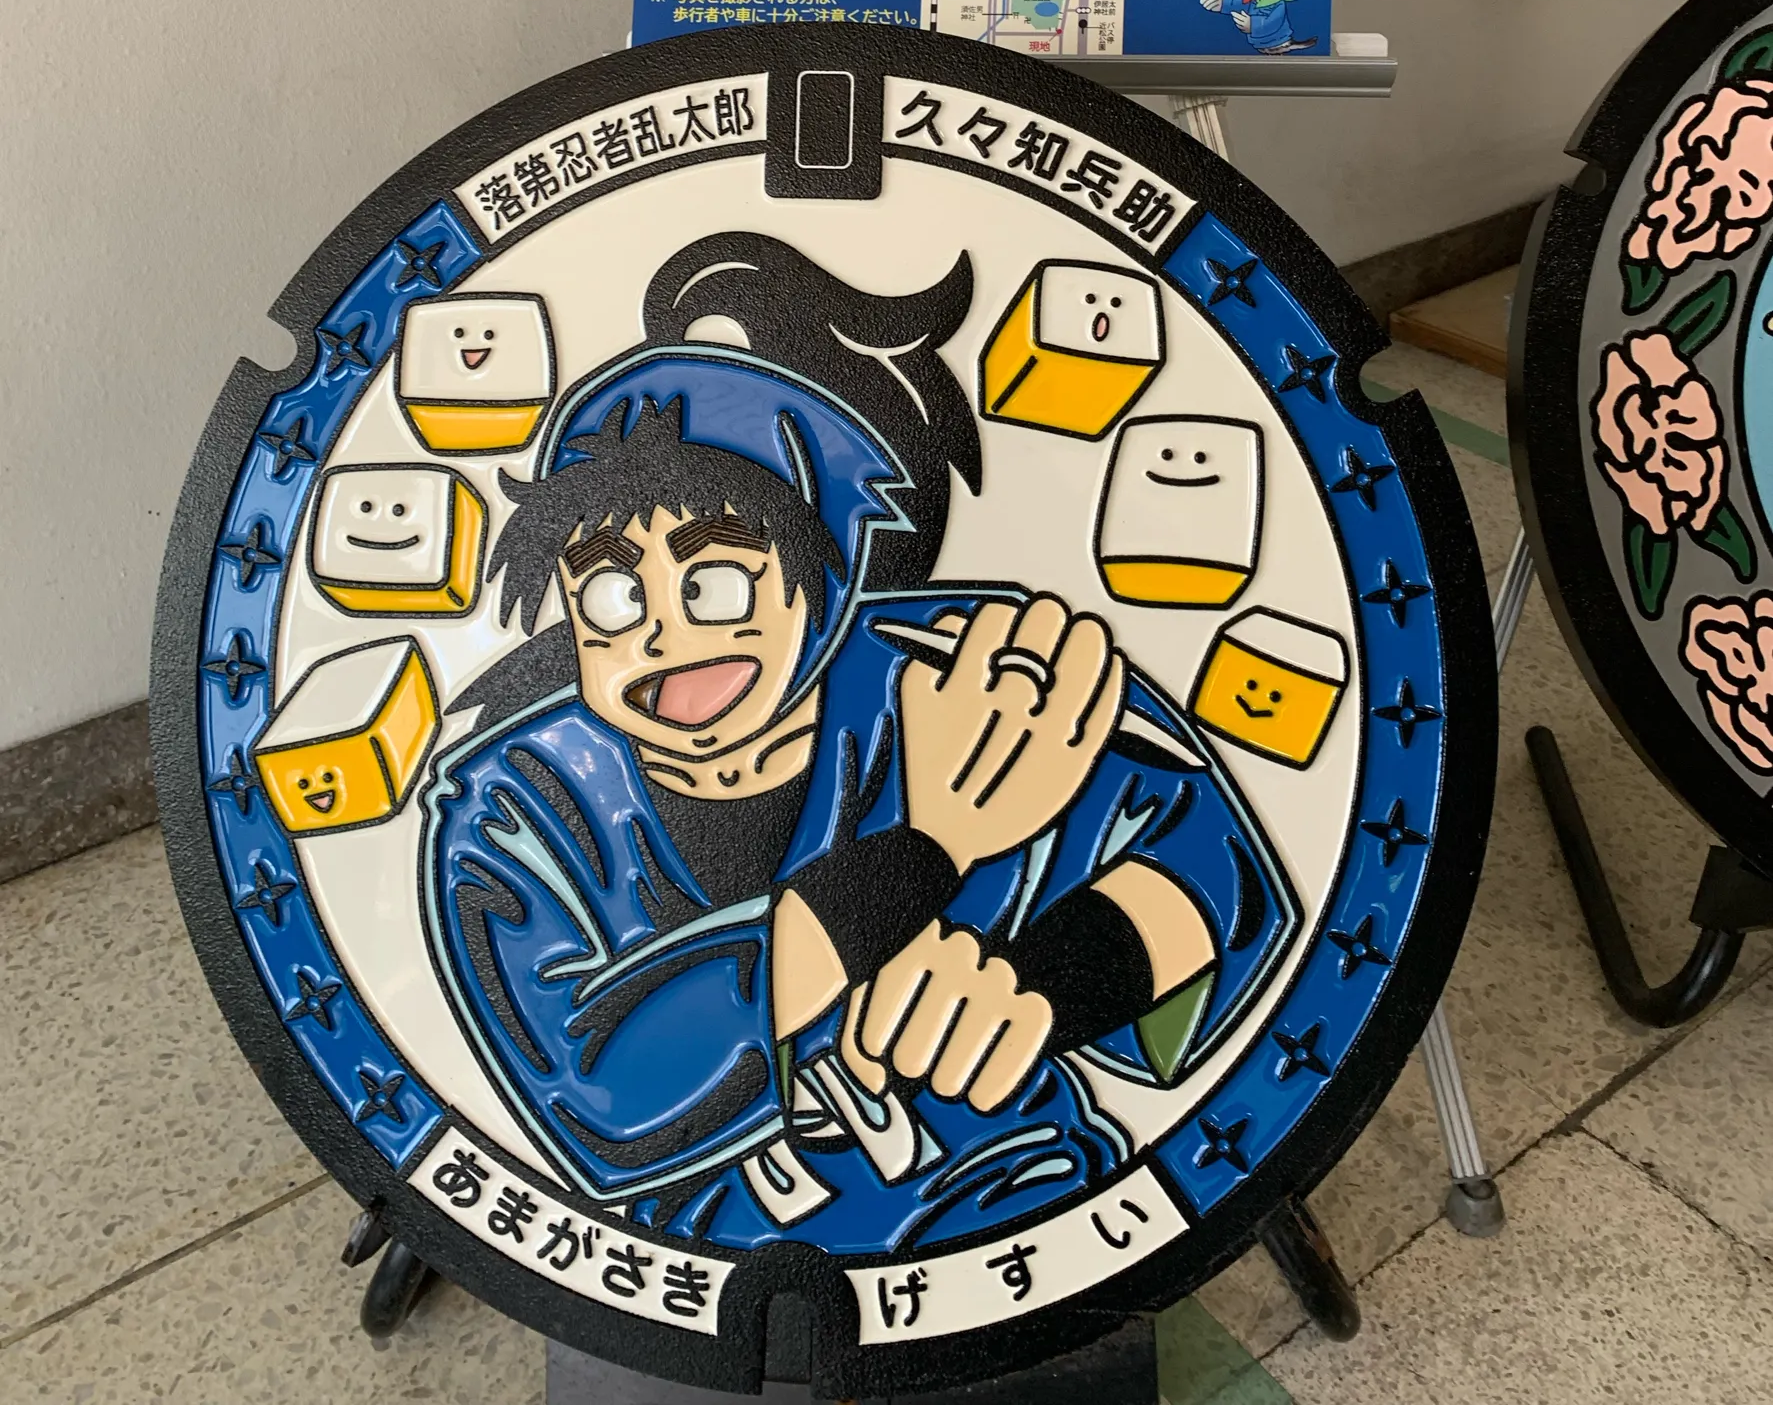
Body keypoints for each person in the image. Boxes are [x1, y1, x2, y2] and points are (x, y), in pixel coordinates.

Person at [422, 234, 1296, 1252]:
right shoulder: (513, 807)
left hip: (1025, 1184)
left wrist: (1046, 986)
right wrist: (926, 853)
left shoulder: (959, 674)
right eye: (614, 594)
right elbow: (598, 1095)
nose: (663, 632)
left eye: (717, 582)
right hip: (711, 1248)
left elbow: (1211, 859)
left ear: (828, 578)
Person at [1201, 0, 1317, 54]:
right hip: (1259, 44)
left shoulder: (1278, 5)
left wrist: (1252, 25)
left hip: (1277, 41)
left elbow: (1272, 22)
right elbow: (1243, 0)